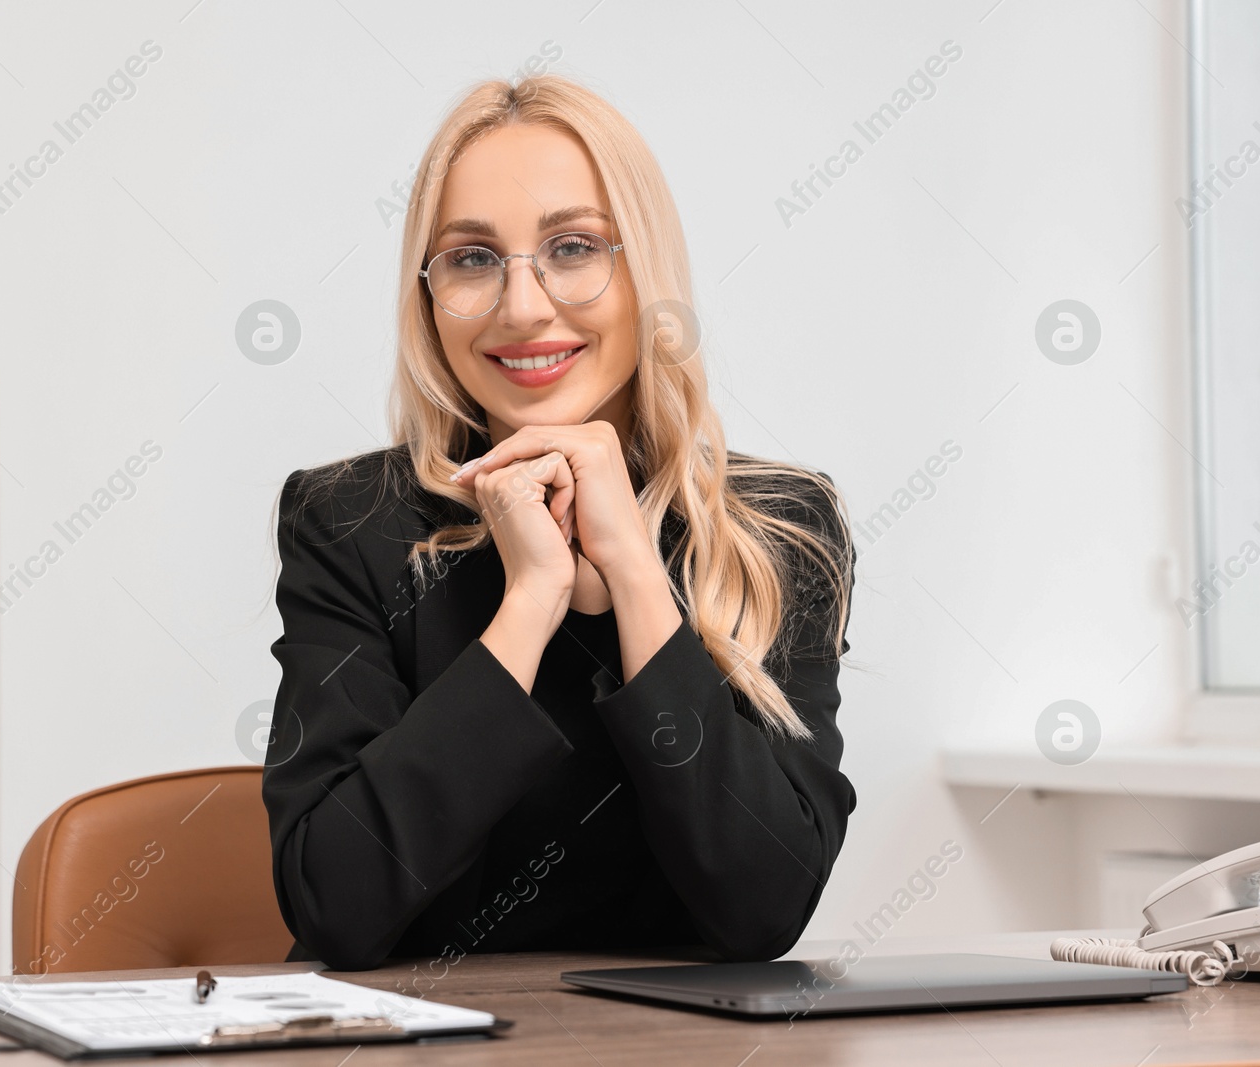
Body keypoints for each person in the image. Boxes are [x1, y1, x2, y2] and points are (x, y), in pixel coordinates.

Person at [263, 73, 855, 973]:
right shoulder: (350, 523)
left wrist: (633, 576)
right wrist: (532, 601)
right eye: (471, 258)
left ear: (642, 272)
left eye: (572, 247)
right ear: (427, 296)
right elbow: (337, 902)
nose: (524, 306)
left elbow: (762, 907)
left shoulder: (779, 529)